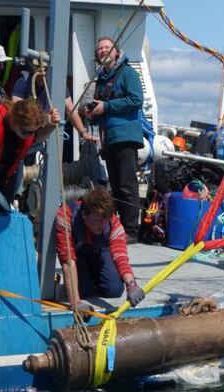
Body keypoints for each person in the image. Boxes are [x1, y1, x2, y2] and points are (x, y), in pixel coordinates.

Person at [84, 36, 144, 243]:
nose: (102, 50)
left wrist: (106, 107)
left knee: (127, 185)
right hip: (108, 138)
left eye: (107, 47)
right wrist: (93, 112)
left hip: (125, 137)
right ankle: (118, 228)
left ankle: (131, 232)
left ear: (116, 52)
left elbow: (136, 100)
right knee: (116, 186)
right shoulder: (101, 78)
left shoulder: (127, 73)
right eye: (99, 48)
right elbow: (102, 106)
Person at [55, 188, 145, 307]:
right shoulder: (65, 216)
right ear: (84, 214)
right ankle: (87, 279)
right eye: (98, 220)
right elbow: (67, 261)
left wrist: (131, 284)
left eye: (105, 220)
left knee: (114, 290)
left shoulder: (114, 225)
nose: (102, 225)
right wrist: (75, 303)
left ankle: (94, 277)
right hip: (77, 255)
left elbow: (121, 256)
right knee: (83, 292)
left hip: (99, 252)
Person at [11, 69, 97, 144]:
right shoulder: (23, 82)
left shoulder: (58, 83)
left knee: (53, 123)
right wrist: (46, 118)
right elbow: (16, 113)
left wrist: (83, 133)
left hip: (40, 137)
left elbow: (71, 110)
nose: (42, 68)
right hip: (21, 137)